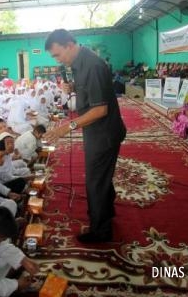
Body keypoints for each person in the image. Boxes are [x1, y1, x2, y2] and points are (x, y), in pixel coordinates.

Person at [43, 29, 126, 243]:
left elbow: (100, 110)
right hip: (96, 130)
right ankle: (106, 214)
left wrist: (66, 127)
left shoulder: (93, 66)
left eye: (57, 54)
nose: (57, 60)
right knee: (100, 178)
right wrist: (72, 88)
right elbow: (90, 95)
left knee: (95, 182)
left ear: (69, 45)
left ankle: (101, 231)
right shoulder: (79, 64)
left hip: (103, 133)